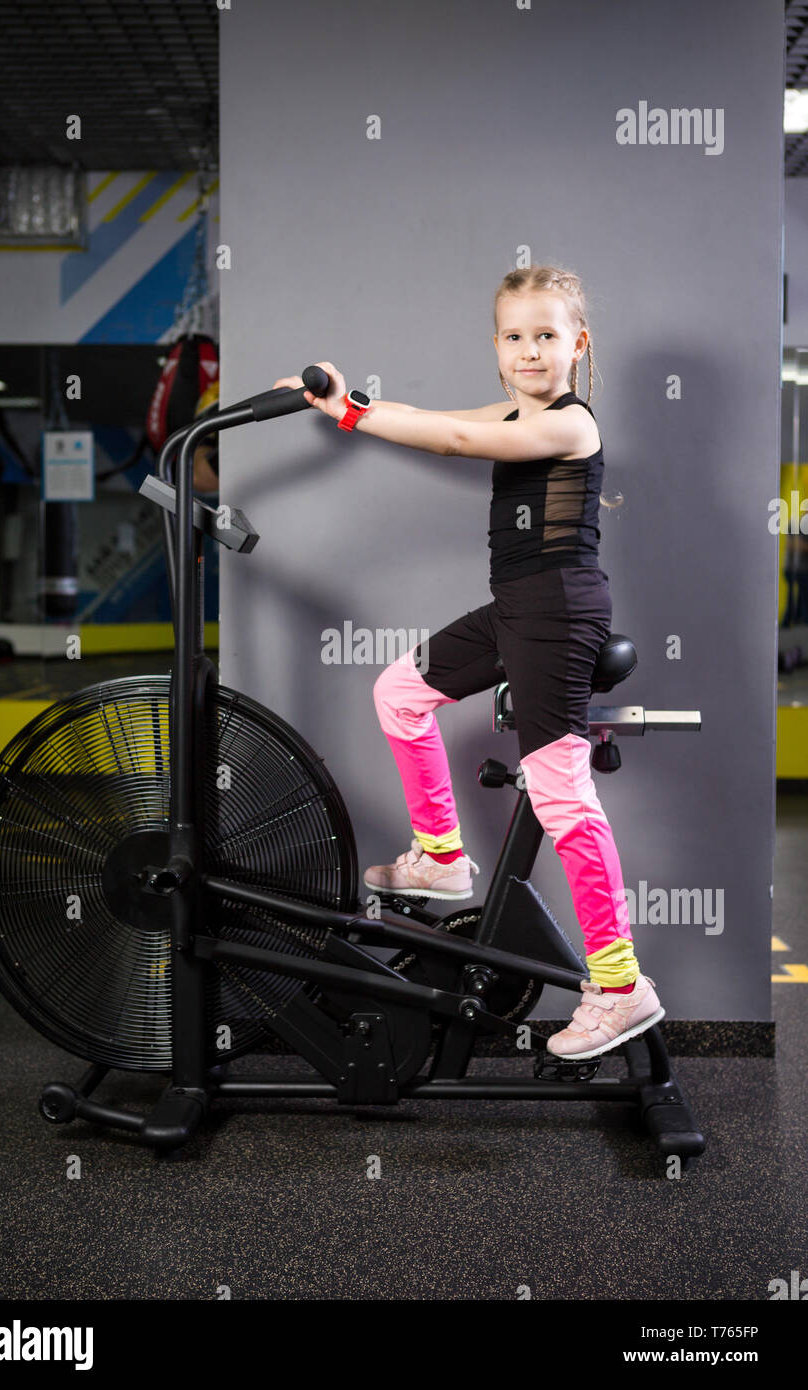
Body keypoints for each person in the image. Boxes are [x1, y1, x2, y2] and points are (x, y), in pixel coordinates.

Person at [276, 263, 663, 1061]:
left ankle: (621, 987)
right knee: (399, 693)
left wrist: (351, 418)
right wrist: (348, 402)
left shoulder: (571, 422)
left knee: (563, 798)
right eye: (515, 336)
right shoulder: (518, 408)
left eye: (546, 336)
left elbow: (453, 441)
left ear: (577, 344)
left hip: (558, 610)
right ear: (496, 346)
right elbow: (435, 416)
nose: (529, 351)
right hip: (518, 605)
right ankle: (445, 859)